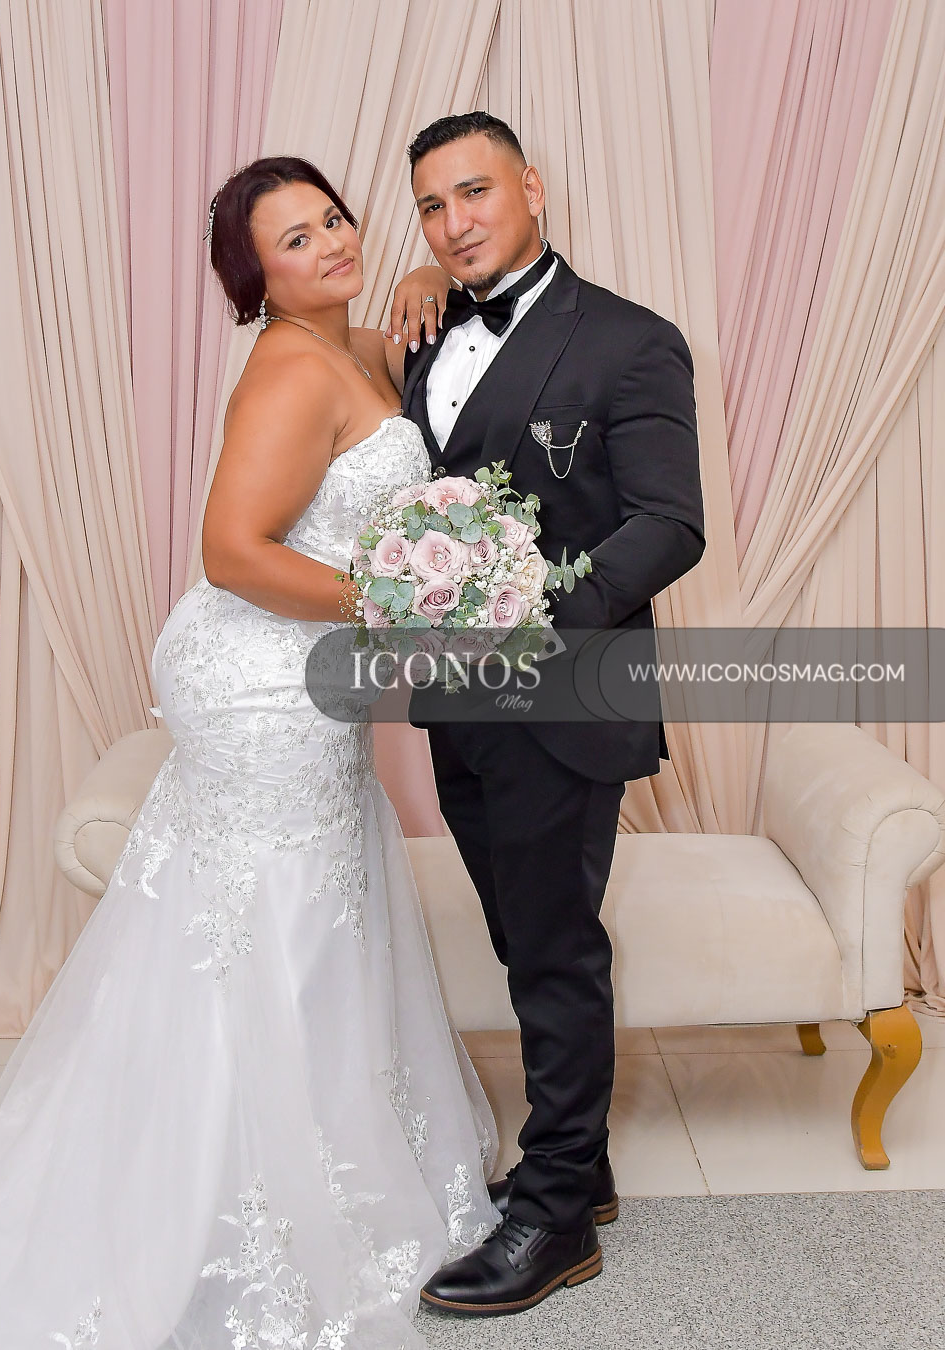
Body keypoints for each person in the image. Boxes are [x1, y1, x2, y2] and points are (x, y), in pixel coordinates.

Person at [0, 156, 497, 1350]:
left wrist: (427, 276)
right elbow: (233, 552)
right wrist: (397, 606)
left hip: (310, 673)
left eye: (332, 220)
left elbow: (425, 337)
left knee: (317, 907)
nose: (329, 243)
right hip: (260, 679)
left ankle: (305, 1158)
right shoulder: (288, 366)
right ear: (254, 278)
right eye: (294, 240)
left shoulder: (361, 347)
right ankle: (226, 1197)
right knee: (273, 921)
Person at [391, 112, 706, 1317]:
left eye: (474, 192)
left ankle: (558, 1209)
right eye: (432, 206)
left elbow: (668, 524)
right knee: (524, 938)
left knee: (557, 948)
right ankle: (586, 1162)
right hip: (456, 703)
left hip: (565, 694)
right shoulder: (428, 330)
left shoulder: (631, 340)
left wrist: (533, 610)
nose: (454, 222)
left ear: (531, 187)